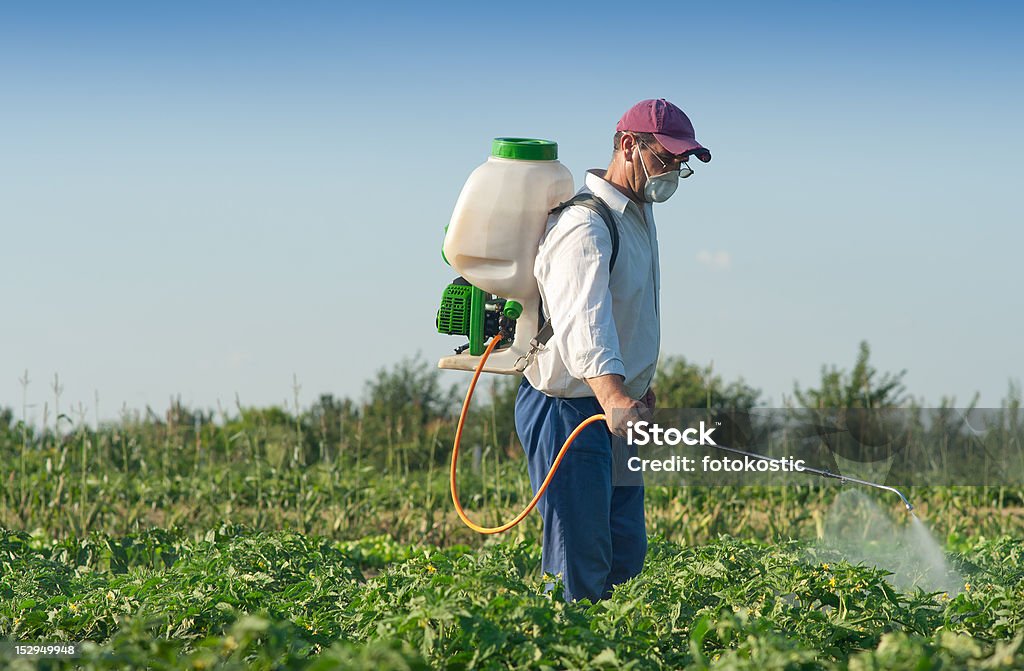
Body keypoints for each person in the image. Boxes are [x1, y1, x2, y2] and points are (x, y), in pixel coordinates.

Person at [514, 98, 711, 602]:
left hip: (612, 406)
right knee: (581, 560)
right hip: (569, 410)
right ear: (629, 146)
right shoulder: (585, 223)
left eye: (681, 164)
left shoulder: (637, 215)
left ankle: (614, 649)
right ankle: (568, 651)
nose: (674, 171)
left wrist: (638, 386)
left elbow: (632, 311)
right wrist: (614, 394)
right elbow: (586, 322)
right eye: (667, 158)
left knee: (625, 552)